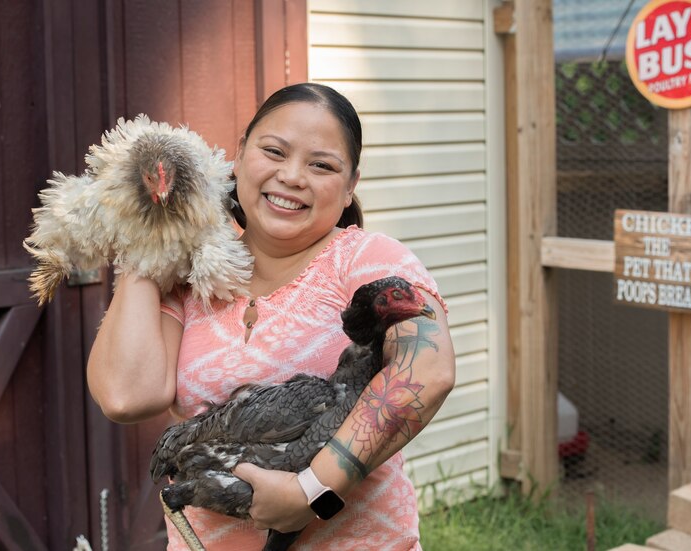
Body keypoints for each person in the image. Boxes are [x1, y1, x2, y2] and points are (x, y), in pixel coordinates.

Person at [87, 82, 456, 550]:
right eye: (274, 152)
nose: (293, 176)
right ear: (239, 155)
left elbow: (428, 369)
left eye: (321, 165)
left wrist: (313, 492)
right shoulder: (189, 278)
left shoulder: (367, 260)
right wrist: (150, 237)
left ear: (349, 187)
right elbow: (126, 396)